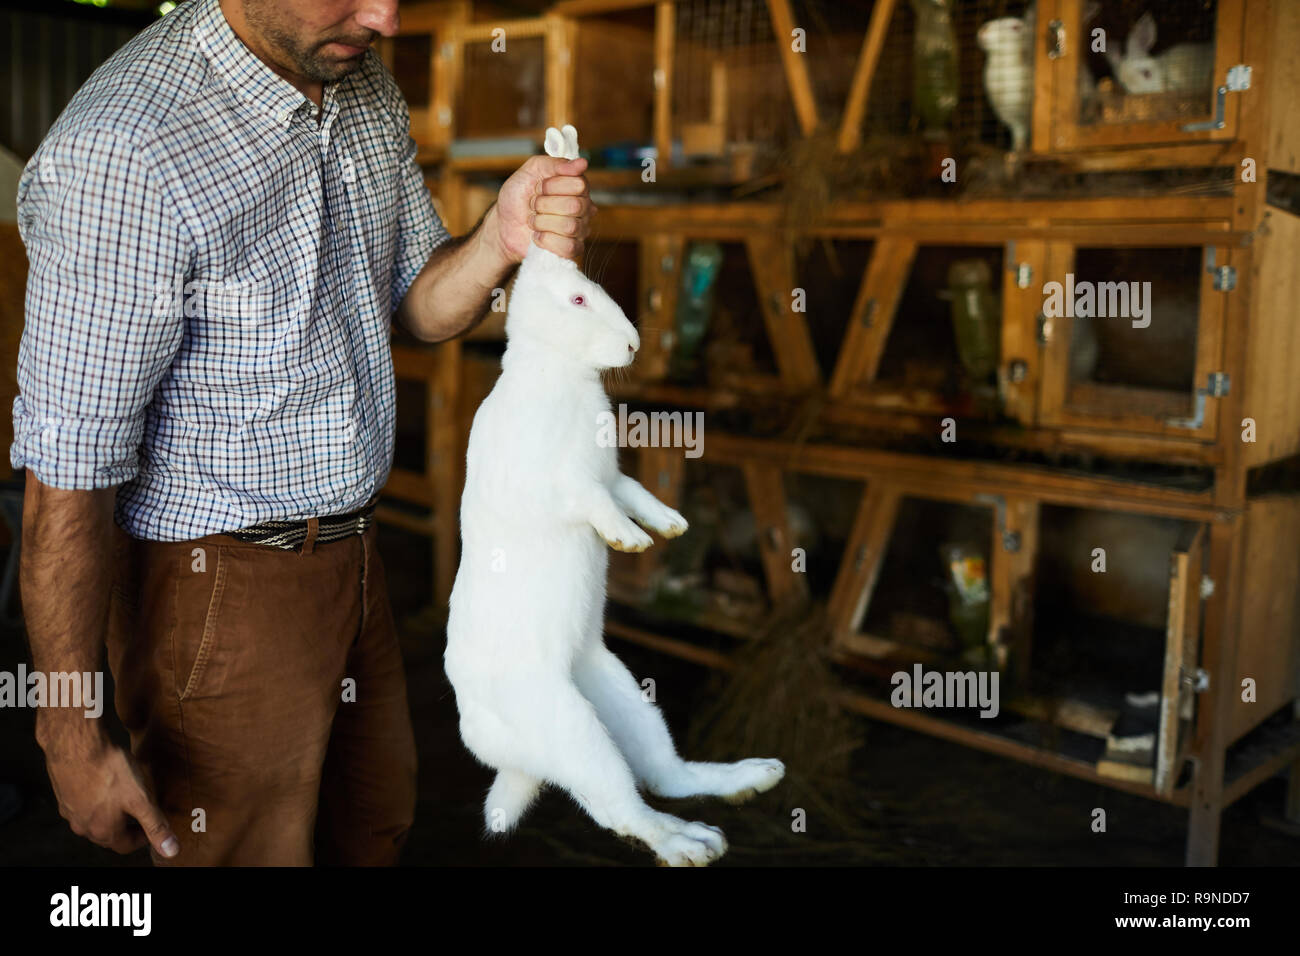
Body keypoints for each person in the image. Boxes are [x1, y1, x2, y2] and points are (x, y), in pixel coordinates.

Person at [12, 0, 593, 866]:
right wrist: (68, 727)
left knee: (372, 833)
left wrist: (499, 241)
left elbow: (417, 302)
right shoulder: (126, 150)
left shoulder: (356, 82)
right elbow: (68, 477)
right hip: (214, 592)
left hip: (355, 561)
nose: (386, 18)